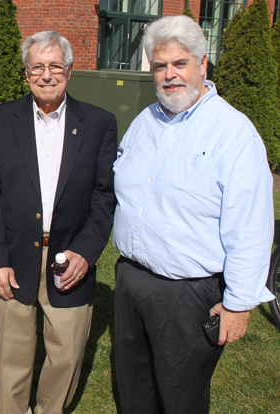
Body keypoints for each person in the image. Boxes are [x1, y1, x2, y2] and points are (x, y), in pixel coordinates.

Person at [112, 15, 274, 414]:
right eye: (160, 66)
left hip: (187, 295)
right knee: (133, 391)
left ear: (203, 64)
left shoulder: (233, 133)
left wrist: (238, 303)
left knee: (180, 398)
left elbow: (250, 224)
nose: (170, 75)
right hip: (132, 280)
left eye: (180, 63)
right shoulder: (143, 122)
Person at [0, 31, 117, 414]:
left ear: (69, 70)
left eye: (55, 65)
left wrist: (86, 252)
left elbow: (105, 197)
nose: (46, 74)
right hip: (13, 259)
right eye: (37, 66)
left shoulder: (99, 123)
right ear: (26, 73)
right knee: (10, 359)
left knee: (66, 357)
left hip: (71, 260)